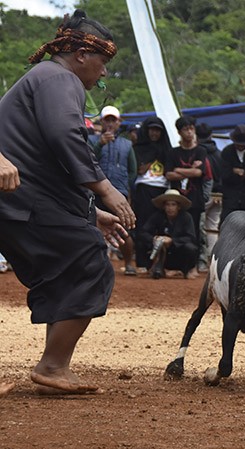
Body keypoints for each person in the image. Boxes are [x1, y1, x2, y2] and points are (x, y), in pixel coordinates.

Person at [0, 9, 134, 394]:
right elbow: (65, 138)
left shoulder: (45, 78)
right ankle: (53, 366)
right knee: (89, 259)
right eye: (103, 62)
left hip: (19, 197)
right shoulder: (58, 77)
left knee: (68, 262)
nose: (104, 73)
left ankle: (53, 367)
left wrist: (93, 214)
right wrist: (106, 189)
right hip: (15, 197)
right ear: (80, 54)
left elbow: (48, 167)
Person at [90, 105, 137, 275]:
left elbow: (133, 170)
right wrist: (100, 144)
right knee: (92, 227)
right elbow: (85, 160)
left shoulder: (127, 144)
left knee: (123, 228)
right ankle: (93, 264)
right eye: (107, 120)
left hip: (119, 192)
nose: (110, 123)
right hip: (95, 190)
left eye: (113, 120)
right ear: (101, 122)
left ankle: (129, 263)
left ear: (119, 122)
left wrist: (125, 188)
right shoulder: (91, 140)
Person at [165, 116, 211, 276]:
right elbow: (168, 175)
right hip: (176, 202)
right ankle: (176, 267)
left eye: (192, 128)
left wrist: (179, 170)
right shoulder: (173, 152)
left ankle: (193, 267)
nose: (190, 132)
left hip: (195, 200)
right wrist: (189, 171)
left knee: (195, 234)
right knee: (176, 233)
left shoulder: (201, 150)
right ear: (179, 132)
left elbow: (199, 172)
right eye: (186, 129)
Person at [131, 116, 171, 269]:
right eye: (152, 130)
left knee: (161, 225)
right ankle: (142, 262)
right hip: (144, 189)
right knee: (143, 225)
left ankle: (161, 263)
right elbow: (138, 170)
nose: (154, 133)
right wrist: (152, 157)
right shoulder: (137, 149)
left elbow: (169, 169)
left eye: (158, 130)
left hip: (163, 189)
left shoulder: (167, 149)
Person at [136, 189, 199, 279]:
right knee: (141, 243)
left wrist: (172, 241)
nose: (170, 208)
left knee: (190, 248)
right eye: (167, 205)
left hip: (178, 253)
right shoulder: (158, 216)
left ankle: (186, 270)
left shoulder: (186, 217)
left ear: (179, 207)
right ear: (164, 206)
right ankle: (150, 267)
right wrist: (154, 239)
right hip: (160, 252)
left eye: (173, 205)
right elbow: (143, 232)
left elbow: (191, 237)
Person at [219, 124, 245, 224]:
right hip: (231, 197)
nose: (241, 146)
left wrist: (244, 173)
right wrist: (235, 173)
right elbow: (224, 174)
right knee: (226, 224)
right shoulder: (227, 152)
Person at [195, 122, 222, 273]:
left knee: (201, 228)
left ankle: (202, 260)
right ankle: (212, 261)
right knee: (212, 228)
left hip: (204, 194)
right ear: (211, 135)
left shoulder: (199, 153)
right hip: (219, 195)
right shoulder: (219, 153)